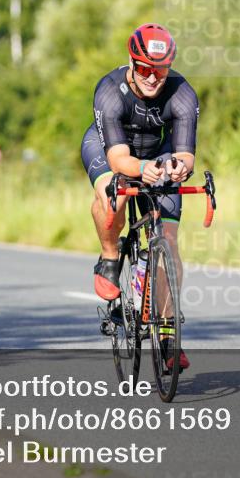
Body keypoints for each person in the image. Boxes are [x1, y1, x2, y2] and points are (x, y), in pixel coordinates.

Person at [81, 23, 198, 370]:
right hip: (110, 150)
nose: (152, 77)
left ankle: (167, 336)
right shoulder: (110, 92)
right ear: (132, 62)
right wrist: (142, 167)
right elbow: (119, 160)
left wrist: (178, 167)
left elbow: (187, 154)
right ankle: (110, 257)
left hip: (156, 151)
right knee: (112, 193)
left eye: (160, 70)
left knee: (170, 243)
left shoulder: (182, 94)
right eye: (145, 68)